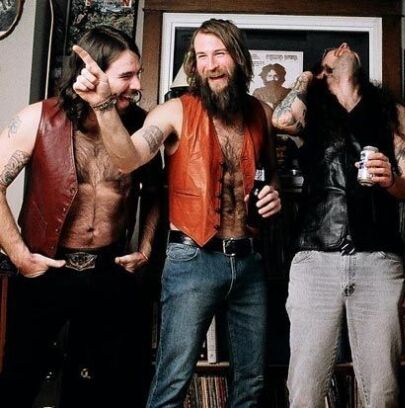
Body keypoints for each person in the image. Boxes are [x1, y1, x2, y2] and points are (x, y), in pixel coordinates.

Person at [71, 18, 281, 408]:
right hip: (192, 259)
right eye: (201, 56)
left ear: (238, 57)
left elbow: (270, 174)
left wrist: (274, 193)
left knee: (251, 383)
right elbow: (129, 157)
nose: (210, 65)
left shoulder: (261, 113)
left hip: (249, 261)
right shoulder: (174, 112)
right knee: (173, 381)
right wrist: (103, 105)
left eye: (219, 53)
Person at [0, 26, 162, 408]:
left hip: (109, 270)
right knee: (19, 381)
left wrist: (146, 249)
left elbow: (156, 192)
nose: (137, 85)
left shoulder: (140, 127)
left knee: (108, 390)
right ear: (92, 74)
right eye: (127, 76)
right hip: (45, 270)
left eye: (138, 74)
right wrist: (20, 257)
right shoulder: (37, 119)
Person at [273, 43, 405, 407]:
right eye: (333, 53)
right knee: (305, 387)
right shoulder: (310, 110)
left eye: (346, 48)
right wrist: (307, 78)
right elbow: (281, 120)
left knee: (383, 388)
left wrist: (391, 180)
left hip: (378, 259)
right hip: (315, 256)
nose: (343, 49)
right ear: (322, 72)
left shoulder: (390, 111)